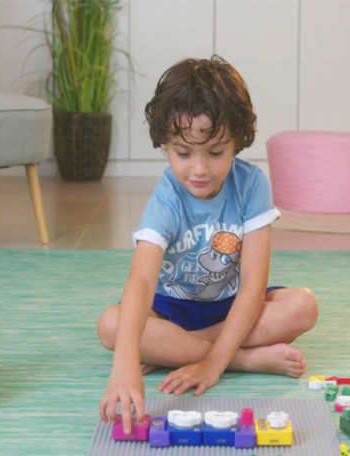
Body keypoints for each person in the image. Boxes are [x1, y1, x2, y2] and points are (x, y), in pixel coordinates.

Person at [97, 56, 319, 433]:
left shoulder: (252, 185)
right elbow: (141, 281)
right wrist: (125, 363)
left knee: (303, 306)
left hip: (233, 307)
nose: (199, 169)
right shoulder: (166, 199)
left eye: (215, 152)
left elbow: (252, 288)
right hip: (170, 311)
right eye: (183, 153)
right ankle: (245, 360)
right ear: (164, 146)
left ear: (237, 142)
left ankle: (177, 350)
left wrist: (210, 365)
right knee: (110, 325)